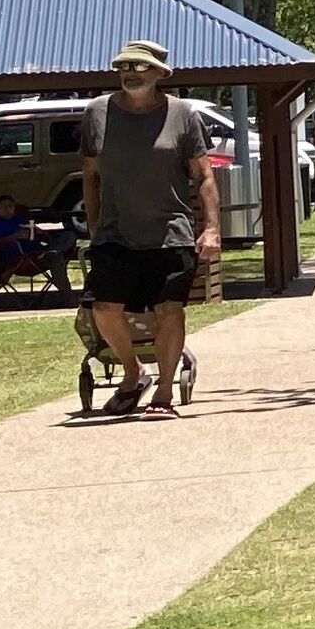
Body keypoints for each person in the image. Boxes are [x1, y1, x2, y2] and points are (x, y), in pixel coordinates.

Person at [80, 38, 225, 418]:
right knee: (103, 309)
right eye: (124, 67)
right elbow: (91, 176)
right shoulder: (97, 113)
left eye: (140, 66)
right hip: (115, 233)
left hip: (170, 231)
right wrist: (95, 227)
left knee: (169, 310)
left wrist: (211, 228)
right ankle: (133, 372)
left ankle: (164, 393)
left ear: (160, 73)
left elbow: (204, 176)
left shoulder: (183, 115)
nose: (130, 73)